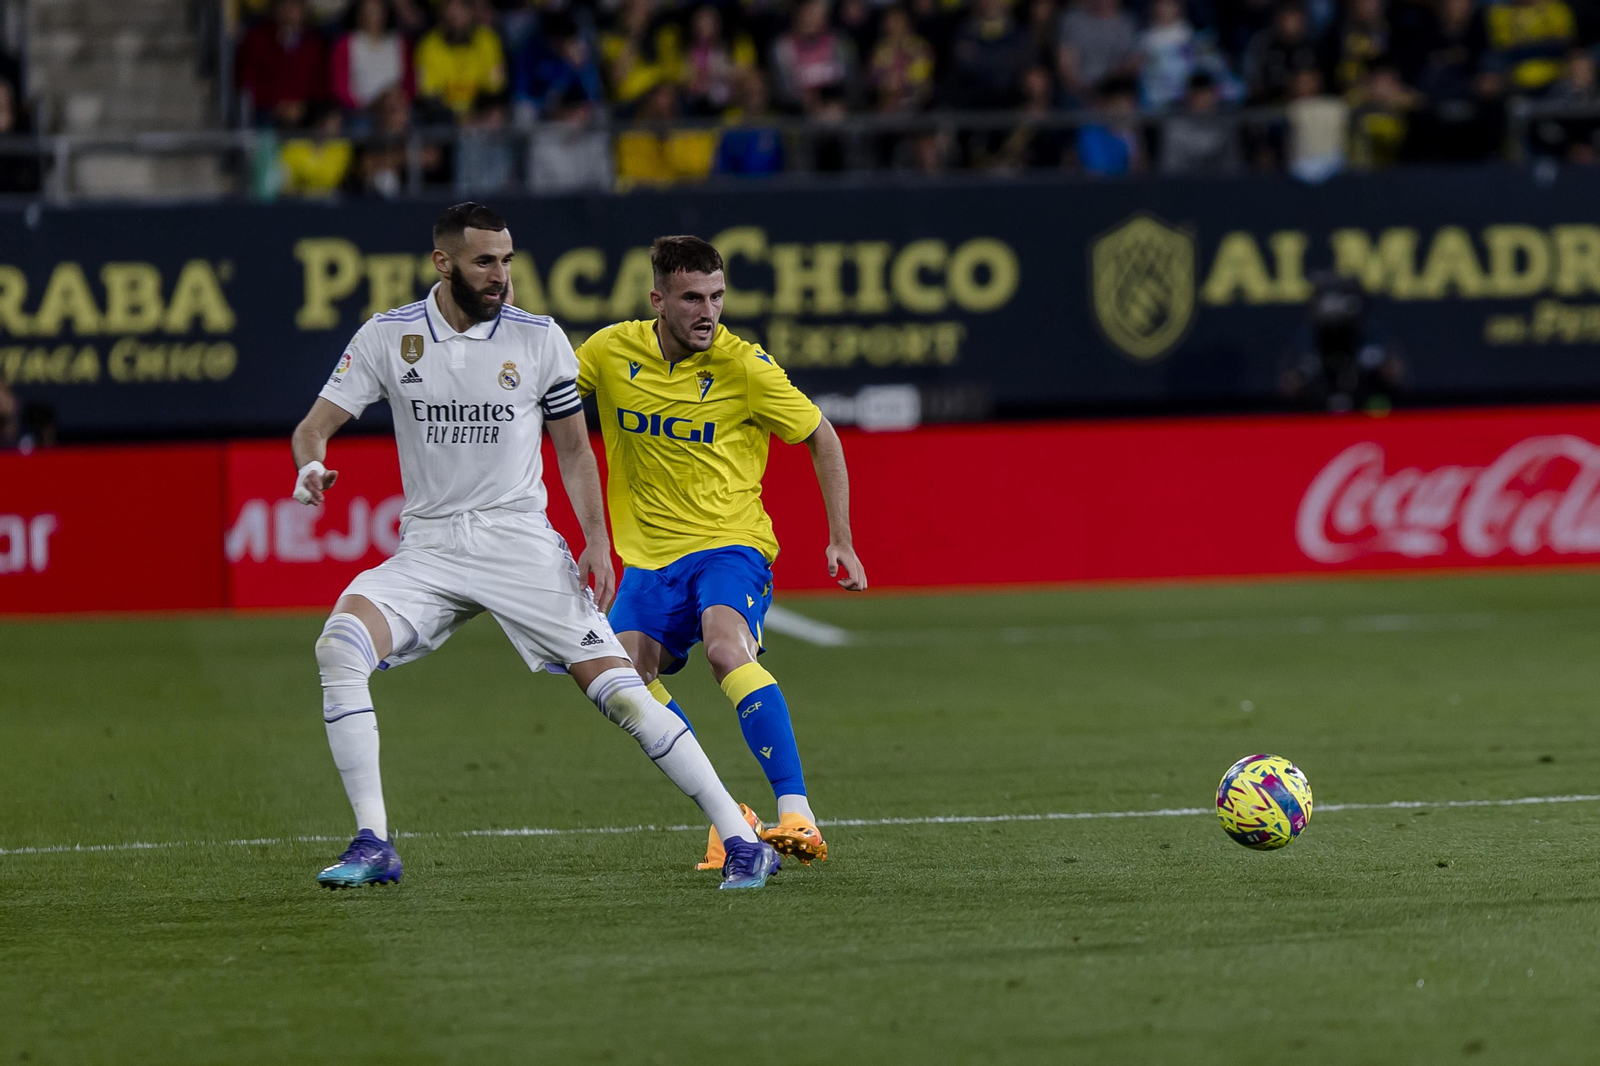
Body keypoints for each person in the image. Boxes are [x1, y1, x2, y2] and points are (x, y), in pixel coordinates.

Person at [290, 204, 781, 892]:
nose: (500, 274)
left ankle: (741, 838)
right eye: (484, 261)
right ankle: (373, 841)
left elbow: (575, 451)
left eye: (506, 260)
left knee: (623, 696)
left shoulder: (540, 338)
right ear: (443, 263)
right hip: (430, 548)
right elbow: (312, 428)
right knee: (339, 647)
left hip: (519, 545)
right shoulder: (389, 336)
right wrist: (311, 466)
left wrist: (596, 540)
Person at [574, 236, 868, 872]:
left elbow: (822, 436)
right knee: (622, 681)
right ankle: (733, 818)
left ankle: (798, 813)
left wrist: (840, 537)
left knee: (725, 648)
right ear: (657, 300)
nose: (708, 312)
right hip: (649, 561)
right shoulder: (608, 351)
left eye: (717, 296)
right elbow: (547, 398)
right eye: (691, 299)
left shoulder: (745, 367)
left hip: (730, 546)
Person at [235, 0, 329, 123]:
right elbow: (246, 82)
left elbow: (320, 86)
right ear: (274, 8)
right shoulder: (256, 39)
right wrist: (276, 106)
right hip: (264, 112)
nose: (288, 10)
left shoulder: (314, 44)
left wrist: (303, 107)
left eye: (293, 5)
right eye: (283, 5)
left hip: (304, 115)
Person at [414, 0, 508, 118]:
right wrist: (458, 119)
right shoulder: (429, 45)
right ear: (441, 13)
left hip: (480, 114)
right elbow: (428, 96)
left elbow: (495, 89)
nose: (456, 16)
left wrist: (473, 115)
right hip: (443, 118)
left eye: (461, 8)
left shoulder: (488, 41)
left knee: (496, 114)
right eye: (450, 10)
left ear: (471, 11)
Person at [332, 0, 415, 116]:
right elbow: (340, 87)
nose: (371, 17)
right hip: (360, 111)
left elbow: (410, 82)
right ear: (358, 13)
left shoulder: (399, 43)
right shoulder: (347, 43)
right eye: (367, 11)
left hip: (396, 109)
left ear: (385, 13)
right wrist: (365, 106)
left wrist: (397, 101)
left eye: (376, 11)